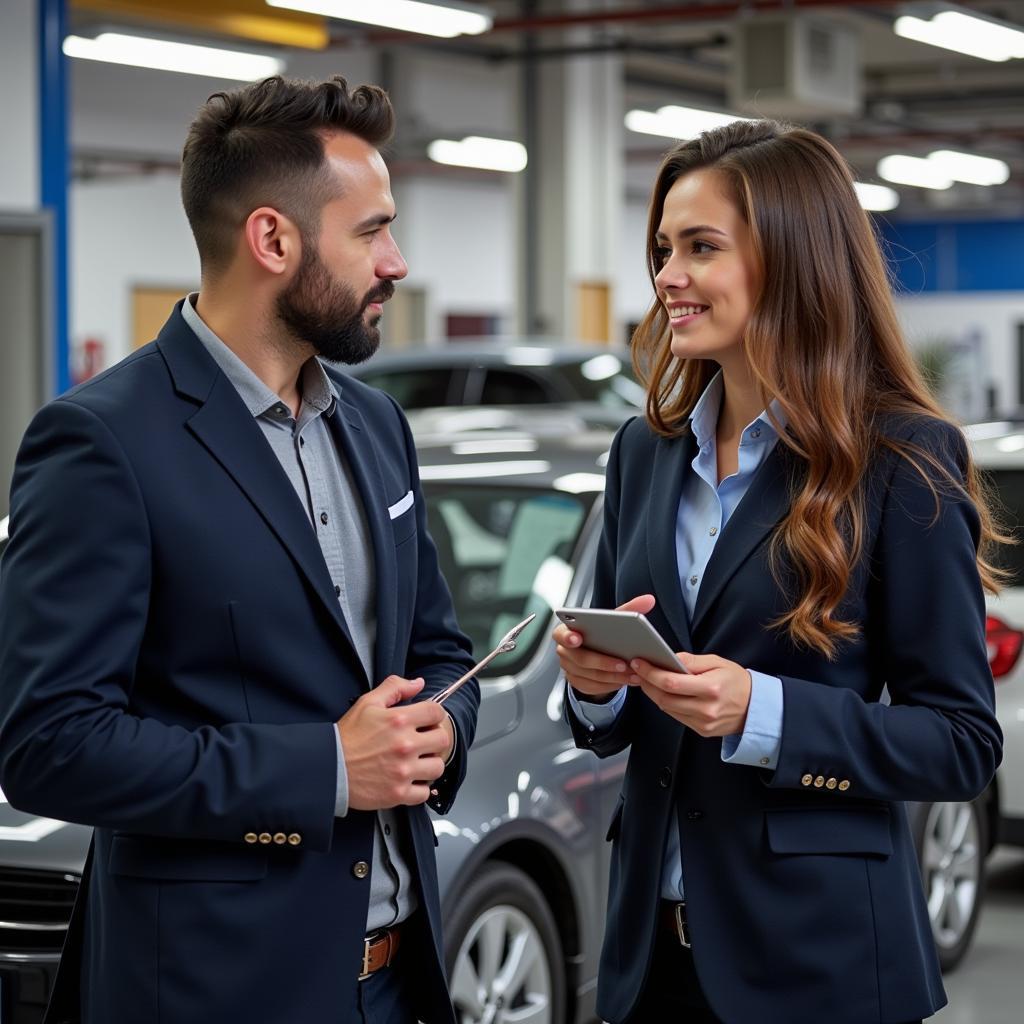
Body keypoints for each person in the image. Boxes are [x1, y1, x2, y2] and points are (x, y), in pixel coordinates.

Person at [0, 76, 479, 1024]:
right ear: (273, 239)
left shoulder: (377, 427)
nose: (399, 261)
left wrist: (443, 731)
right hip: (215, 989)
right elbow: (50, 746)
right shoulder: (103, 442)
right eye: (372, 230)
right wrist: (327, 769)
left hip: (396, 981)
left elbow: (435, 655)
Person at [553, 119, 1003, 1024]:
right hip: (650, 964)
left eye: (700, 248)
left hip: (818, 965)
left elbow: (960, 743)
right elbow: (615, 718)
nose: (667, 277)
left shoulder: (903, 462)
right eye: (662, 249)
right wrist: (595, 687)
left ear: (792, 260)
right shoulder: (643, 452)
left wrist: (764, 713)